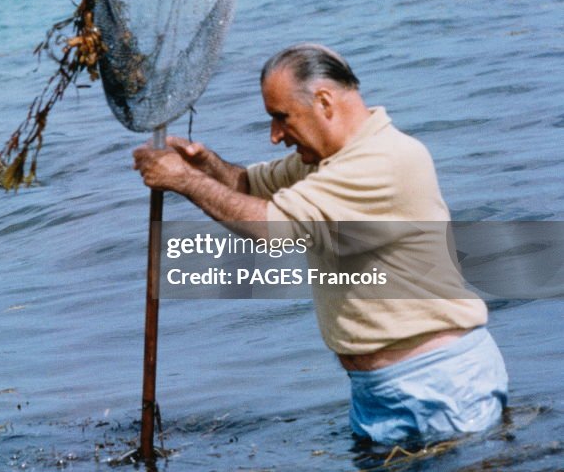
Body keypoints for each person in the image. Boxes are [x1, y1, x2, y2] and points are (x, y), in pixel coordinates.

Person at [133, 43, 508, 445]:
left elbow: (273, 227)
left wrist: (185, 181)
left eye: (281, 118)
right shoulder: (331, 160)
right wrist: (206, 167)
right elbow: (250, 187)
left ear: (324, 101)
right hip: (380, 389)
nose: (275, 136)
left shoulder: (383, 160)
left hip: (437, 385)